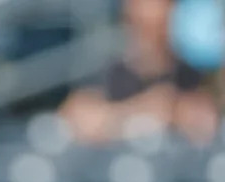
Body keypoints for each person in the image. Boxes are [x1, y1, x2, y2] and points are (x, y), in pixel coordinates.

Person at [60, 0, 218, 145]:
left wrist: (175, 111)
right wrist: (141, 111)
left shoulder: (191, 73)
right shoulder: (105, 70)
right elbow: (76, 117)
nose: (150, 19)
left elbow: (205, 120)